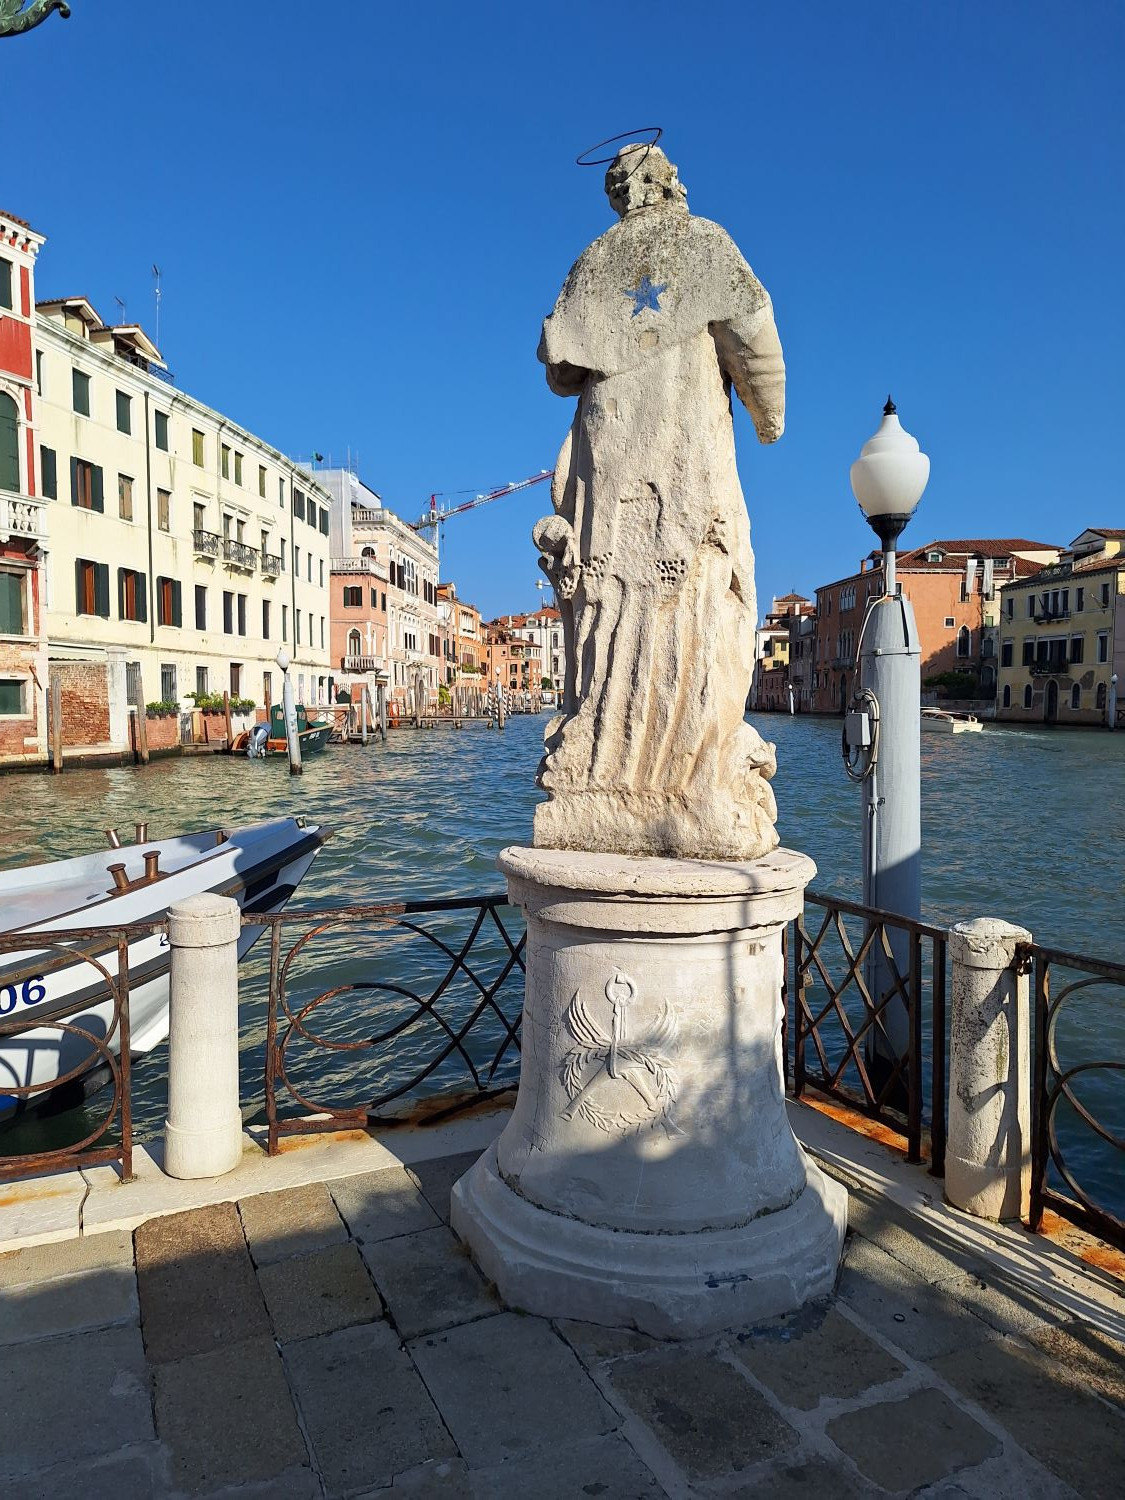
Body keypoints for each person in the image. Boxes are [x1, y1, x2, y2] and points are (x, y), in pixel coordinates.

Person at [533, 144, 786, 861]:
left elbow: (560, 368)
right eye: (671, 175)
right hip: (684, 453)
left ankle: (602, 766)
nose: (680, 182)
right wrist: (768, 416)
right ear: (660, 184)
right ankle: (684, 777)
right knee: (700, 601)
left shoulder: (591, 262)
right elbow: (754, 337)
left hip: (608, 453)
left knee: (610, 600)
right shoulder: (701, 243)